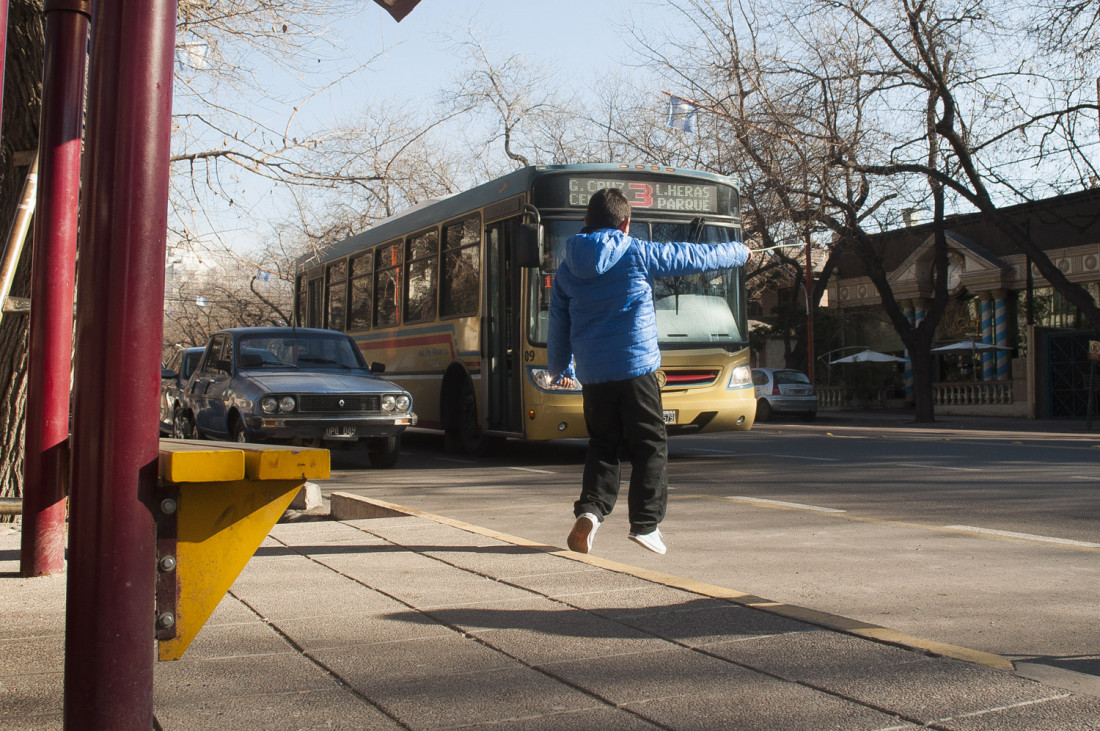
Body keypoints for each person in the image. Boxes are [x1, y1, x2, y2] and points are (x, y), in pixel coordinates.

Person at [548, 187, 751, 555]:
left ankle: (591, 512)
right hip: (636, 368)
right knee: (650, 444)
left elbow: (558, 324)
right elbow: (692, 256)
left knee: (603, 445)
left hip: (594, 376)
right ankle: (645, 524)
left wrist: (561, 367)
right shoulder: (637, 251)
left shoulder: (566, 269)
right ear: (626, 224)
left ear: (585, 222)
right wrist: (740, 251)